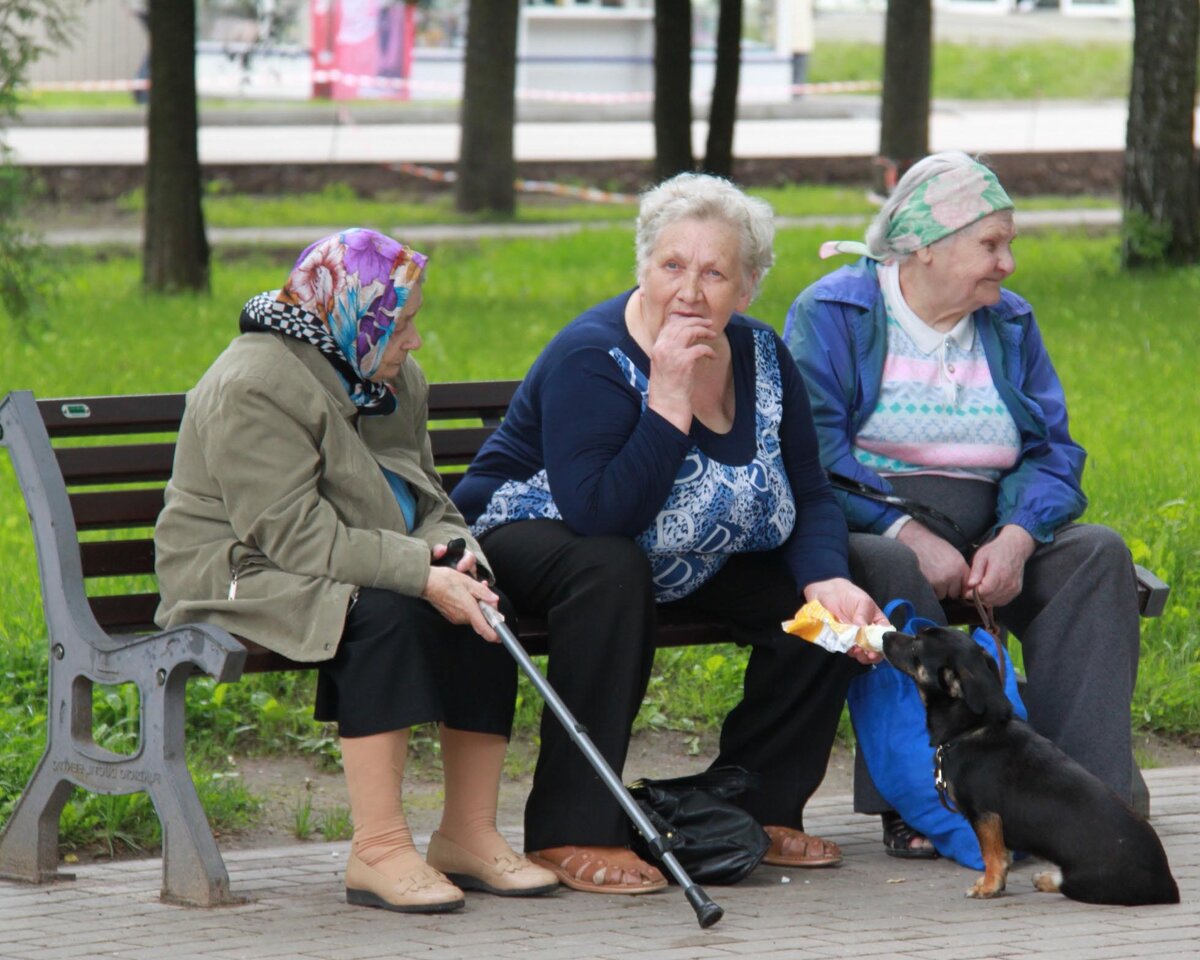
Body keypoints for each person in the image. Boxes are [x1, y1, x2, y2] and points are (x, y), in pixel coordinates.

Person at [452, 173, 885, 895]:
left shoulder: (762, 356)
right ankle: (572, 827)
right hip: (530, 534)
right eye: (671, 266)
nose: (690, 291)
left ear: (747, 288)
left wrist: (824, 577)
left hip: (674, 549)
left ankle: (751, 803)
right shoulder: (592, 357)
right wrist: (668, 400)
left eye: (714, 272)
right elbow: (598, 516)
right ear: (643, 270)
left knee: (826, 614)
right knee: (610, 569)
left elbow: (809, 492)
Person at [154, 229, 557, 913]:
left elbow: (426, 495)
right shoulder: (253, 384)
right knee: (387, 613)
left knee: (483, 604)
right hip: (243, 571)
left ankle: (467, 833)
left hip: (349, 554)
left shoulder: (385, 375)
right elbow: (292, 534)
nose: (415, 340)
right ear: (354, 316)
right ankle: (379, 847)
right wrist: (422, 576)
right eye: (401, 323)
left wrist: (461, 559)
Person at [783, 152, 1142, 859]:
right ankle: (921, 797)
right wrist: (902, 526)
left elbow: (1053, 450)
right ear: (923, 247)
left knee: (1096, 554)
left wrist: (1015, 535)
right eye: (990, 244)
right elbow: (812, 452)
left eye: (1009, 243)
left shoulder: (1008, 323)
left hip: (991, 523)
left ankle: (1086, 794)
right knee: (890, 565)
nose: (1007, 263)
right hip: (868, 521)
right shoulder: (835, 311)